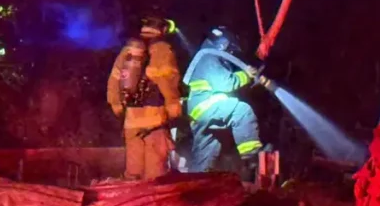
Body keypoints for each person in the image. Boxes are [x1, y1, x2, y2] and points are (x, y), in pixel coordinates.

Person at [184, 26, 269, 175]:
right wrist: (246, 75)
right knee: (242, 111)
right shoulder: (209, 58)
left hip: (199, 112)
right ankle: (251, 157)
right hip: (207, 107)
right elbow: (226, 83)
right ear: (222, 44)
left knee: (205, 154)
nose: (230, 53)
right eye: (229, 49)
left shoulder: (205, 57)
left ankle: (194, 181)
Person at [106, 15, 182, 180]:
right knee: (156, 174)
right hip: (154, 120)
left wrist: (116, 104)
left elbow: (114, 80)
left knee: (133, 172)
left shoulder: (128, 50)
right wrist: (173, 105)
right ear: (162, 29)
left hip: (131, 118)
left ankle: (130, 195)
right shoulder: (162, 49)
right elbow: (167, 80)